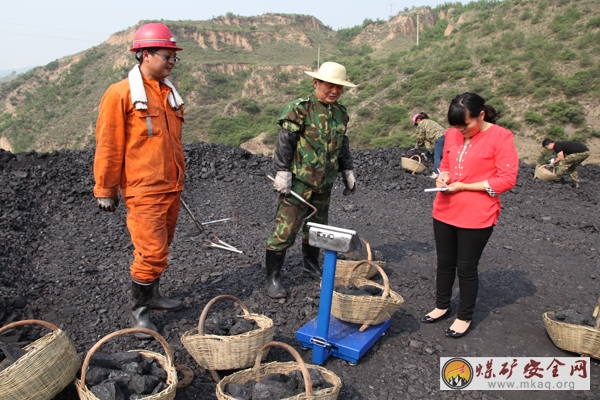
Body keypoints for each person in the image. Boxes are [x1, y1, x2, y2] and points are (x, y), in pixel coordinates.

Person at [93, 23, 186, 339]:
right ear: (145, 54)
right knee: (151, 252)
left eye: (174, 57)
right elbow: (109, 142)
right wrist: (105, 188)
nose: (172, 61)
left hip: (170, 186)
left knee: (164, 246)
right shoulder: (121, 94)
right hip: (143, 189)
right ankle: (140, 314)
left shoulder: (168, 93)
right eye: (166, 55)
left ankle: (154, 296)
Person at [420, 93, 518, 338]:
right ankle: (442, 305)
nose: (460, 130)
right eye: (456, 126)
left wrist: (464, 186)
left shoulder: (500, 137)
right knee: (444, 262)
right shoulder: (453, 134)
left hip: (477, 214)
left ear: (481, 115)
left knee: (466, 267)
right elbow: (447, 164)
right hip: (445, 208)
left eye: (466, 125)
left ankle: (464, 316)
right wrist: (445, 176)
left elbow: (506, 179)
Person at [265, 62, 358, 299]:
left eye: (339, 86)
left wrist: (348, 170)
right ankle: (273, 278)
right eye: (329, 85)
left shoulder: (340, 113)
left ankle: (310, 265)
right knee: (285, 231)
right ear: (316, 82)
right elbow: (285, 141)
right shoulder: (300, 109)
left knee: (317, 229)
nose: (334, 90)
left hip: (324, 183)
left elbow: (342, 144)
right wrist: (282, 171)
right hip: (298, 182)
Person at [412, 112, 446, 179]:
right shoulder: (429, 121)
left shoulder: (421, 123)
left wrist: (417, 146)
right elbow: (429, 143)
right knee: (442, 154)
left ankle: (436, 173)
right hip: (444, 136)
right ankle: (427, 156)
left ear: (418, 120)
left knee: (437, 156)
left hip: (439, 137)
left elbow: (420, 137)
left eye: (416, 124)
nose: (417, 125)